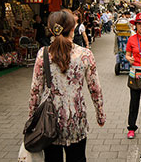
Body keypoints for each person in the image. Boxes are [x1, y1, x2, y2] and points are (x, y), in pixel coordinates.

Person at [28, 11, 105, 161]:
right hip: (76, 119)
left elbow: (35, 91)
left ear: (51, 30)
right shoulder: (85, 55)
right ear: (73, 28)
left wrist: (31, 119)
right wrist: (100, 114)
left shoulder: (43, 54)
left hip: (48, 122)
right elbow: (95, 89)